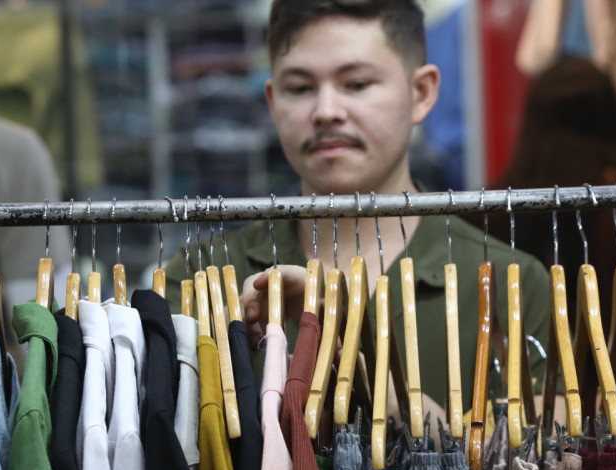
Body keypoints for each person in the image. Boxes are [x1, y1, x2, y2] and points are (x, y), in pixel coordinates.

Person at [164, 0, 550, 421]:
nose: (327, 111)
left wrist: (375, 384)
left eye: (357, 83)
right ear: (273, 103)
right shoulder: (199, 277)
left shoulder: (511, 283)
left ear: (420, 93)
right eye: (300, 88)